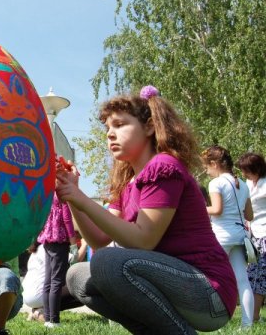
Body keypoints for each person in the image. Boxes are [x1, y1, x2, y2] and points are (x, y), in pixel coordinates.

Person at [58, 86, 237, 334]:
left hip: (207, 291)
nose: (110, 134)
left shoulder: (163, 166)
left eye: (120, 125)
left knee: (108, 262)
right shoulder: (126, 185)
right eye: (107, 128)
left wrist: (81, 198)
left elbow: (143, 240)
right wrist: (73, 197)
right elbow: (99, 239)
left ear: (150, 126)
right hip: (172, 285)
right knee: (78, 276)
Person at [202, 145, 254, 327]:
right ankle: (247, 325)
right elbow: (250, 215)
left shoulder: (216, 183)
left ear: (214, 164)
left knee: (208, 277)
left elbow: (216, 210)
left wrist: (197, 207)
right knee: (242, 280)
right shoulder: (243, 184)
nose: (206, 171)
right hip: (240, 236)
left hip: (221, 236)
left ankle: (207, 319)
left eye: (207, 167)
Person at [36, 192, 78, 328]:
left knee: (48, 280)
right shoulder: (61, 194)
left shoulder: (47, 193)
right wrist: (73, 243)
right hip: (60, 240)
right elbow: (67, 219)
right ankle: (54, 320)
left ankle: (48, 319)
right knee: (56, 281)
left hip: (48, 239)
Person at [236, 152, 266, 323]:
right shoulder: (247, 182)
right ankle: (254, 316)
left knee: (260, 276)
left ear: (257, 168)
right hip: (252, 236)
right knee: (253, 275)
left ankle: (254, 317)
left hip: (264, 235)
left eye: (247, 170)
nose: (244, 174)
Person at [21, 242, 82, 323]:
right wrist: (85, 244)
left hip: (27, 297)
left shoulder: (36, 250)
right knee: (81, 289)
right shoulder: (53, 248)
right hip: (40, 296)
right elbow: (74, 260)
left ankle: (38, 310)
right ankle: (41, 313)